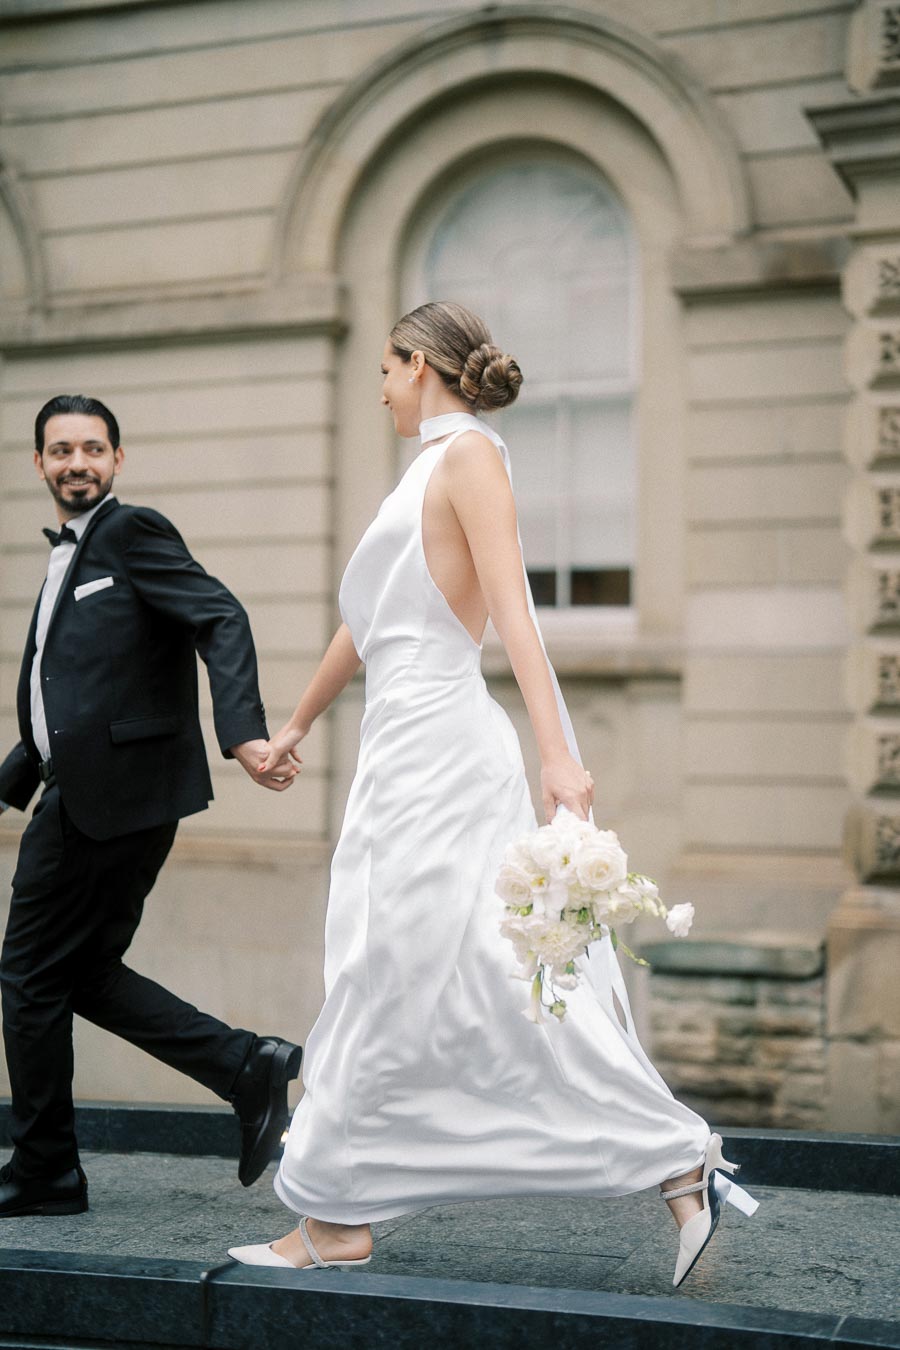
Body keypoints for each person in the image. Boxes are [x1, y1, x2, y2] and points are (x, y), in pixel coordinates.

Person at [228, 303, 758, 1287]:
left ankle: (664, 1156)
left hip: (441, 754)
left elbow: (516, 616)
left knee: (397, 971)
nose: (379, 388)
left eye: (386, 370)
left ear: (420, 364)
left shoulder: (472, 456)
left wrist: (559, 757)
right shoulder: (424, 467)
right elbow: (366, 625)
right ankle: (338, 1212)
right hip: (397, 753)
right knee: (387, 969)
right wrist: (294, 725)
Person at [0, 394, 303, 1219]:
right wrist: (11, 781)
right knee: (79, 975)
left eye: (92, 448)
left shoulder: (131, 533)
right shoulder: (71, 555)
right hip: (88, 792)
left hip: (112, 800)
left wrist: (241, 734)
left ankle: (44, 1171)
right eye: (60, 450)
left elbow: (221, 616)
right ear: (38, 464)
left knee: (27, 979)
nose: (76, 463)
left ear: (117, 460)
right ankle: (247, 1067)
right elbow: (67, 698)